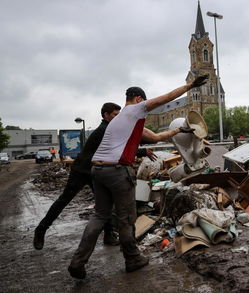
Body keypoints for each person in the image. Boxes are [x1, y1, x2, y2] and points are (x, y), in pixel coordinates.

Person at [68, 74, 209, 279]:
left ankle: (77, 262)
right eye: (144, 102)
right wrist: (190, 85)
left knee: (99, 215)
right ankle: (133, 259)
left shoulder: (123, 120)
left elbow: (156, 137)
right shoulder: (135, 109)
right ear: (138, 99)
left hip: (97, 170)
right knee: (126, 218)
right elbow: (165, 98)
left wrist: (180, 129)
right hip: (116, 171)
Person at [33, 103, 123, 250]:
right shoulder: (103, 130)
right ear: (106, 115)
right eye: (115, 115)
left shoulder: (109, 129)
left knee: (105, 205)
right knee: (64, 200)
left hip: (95, 172)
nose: (118, 118)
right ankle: (40, 230)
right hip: (81, 171)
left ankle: (109, 235)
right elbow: (118, 150)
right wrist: (142, 152)